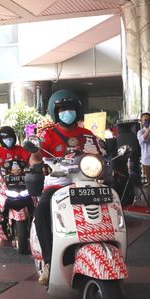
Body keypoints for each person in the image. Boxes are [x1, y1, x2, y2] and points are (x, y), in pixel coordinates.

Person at [27, 89, 101, 285]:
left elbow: (99, 154)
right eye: (62, 109)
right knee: (41, 211)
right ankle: (49, 261)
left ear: (78, 110)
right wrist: (37, 165)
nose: (67, 112)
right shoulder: (47, 135)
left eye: (71, 109)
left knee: (108, 204)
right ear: (55, 112)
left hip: (86, 182)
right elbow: (34, 155)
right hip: (57, 185)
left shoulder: (87, 134)